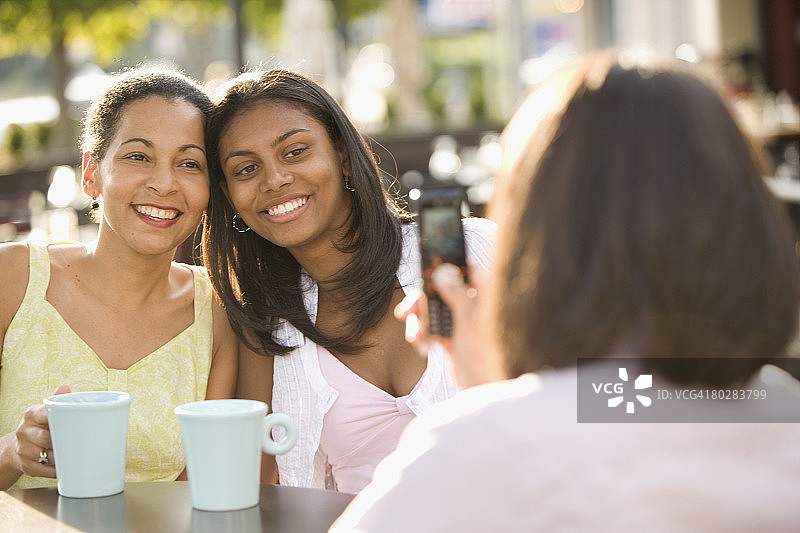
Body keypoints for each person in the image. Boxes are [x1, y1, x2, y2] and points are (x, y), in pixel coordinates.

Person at [329, 51, 800, 531]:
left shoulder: (476, 447)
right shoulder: (784, 409)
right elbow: (647, 402)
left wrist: (496, 403)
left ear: (534, 234)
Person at [202, 69, 495, 492]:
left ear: (340, 154)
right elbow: (255, 486)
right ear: (229, 195)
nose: (274, 179)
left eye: (295, 151)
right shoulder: (268, 324)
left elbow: (620, 391)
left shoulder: (473, 250)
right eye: (246, 169)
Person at [0, 66, 238, 491]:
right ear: (92, 172)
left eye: (189, 163)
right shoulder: (13, 278)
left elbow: (202, 485)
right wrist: (10, 453)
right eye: (138, 156)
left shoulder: (219, 308)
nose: (164, 184)